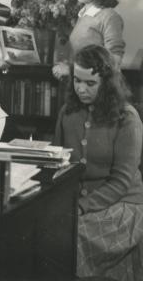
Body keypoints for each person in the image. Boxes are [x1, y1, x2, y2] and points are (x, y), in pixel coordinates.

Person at [53, 44, 143, 279]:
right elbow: (59, 164)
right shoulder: (67, 112)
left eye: (90, 83)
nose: (81, 89)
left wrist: (82, 207)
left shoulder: (127, 118)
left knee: (71, 236)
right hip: (78, 203)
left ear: (107, 84)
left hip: (124, 204)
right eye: (76, 80)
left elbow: (121, 182)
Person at [52, 0, 125, 80]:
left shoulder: (109, 16)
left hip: (101, 89)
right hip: (82, 85)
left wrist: (70, 69)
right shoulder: (83, 14)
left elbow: (114, 62)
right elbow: (84, 58)